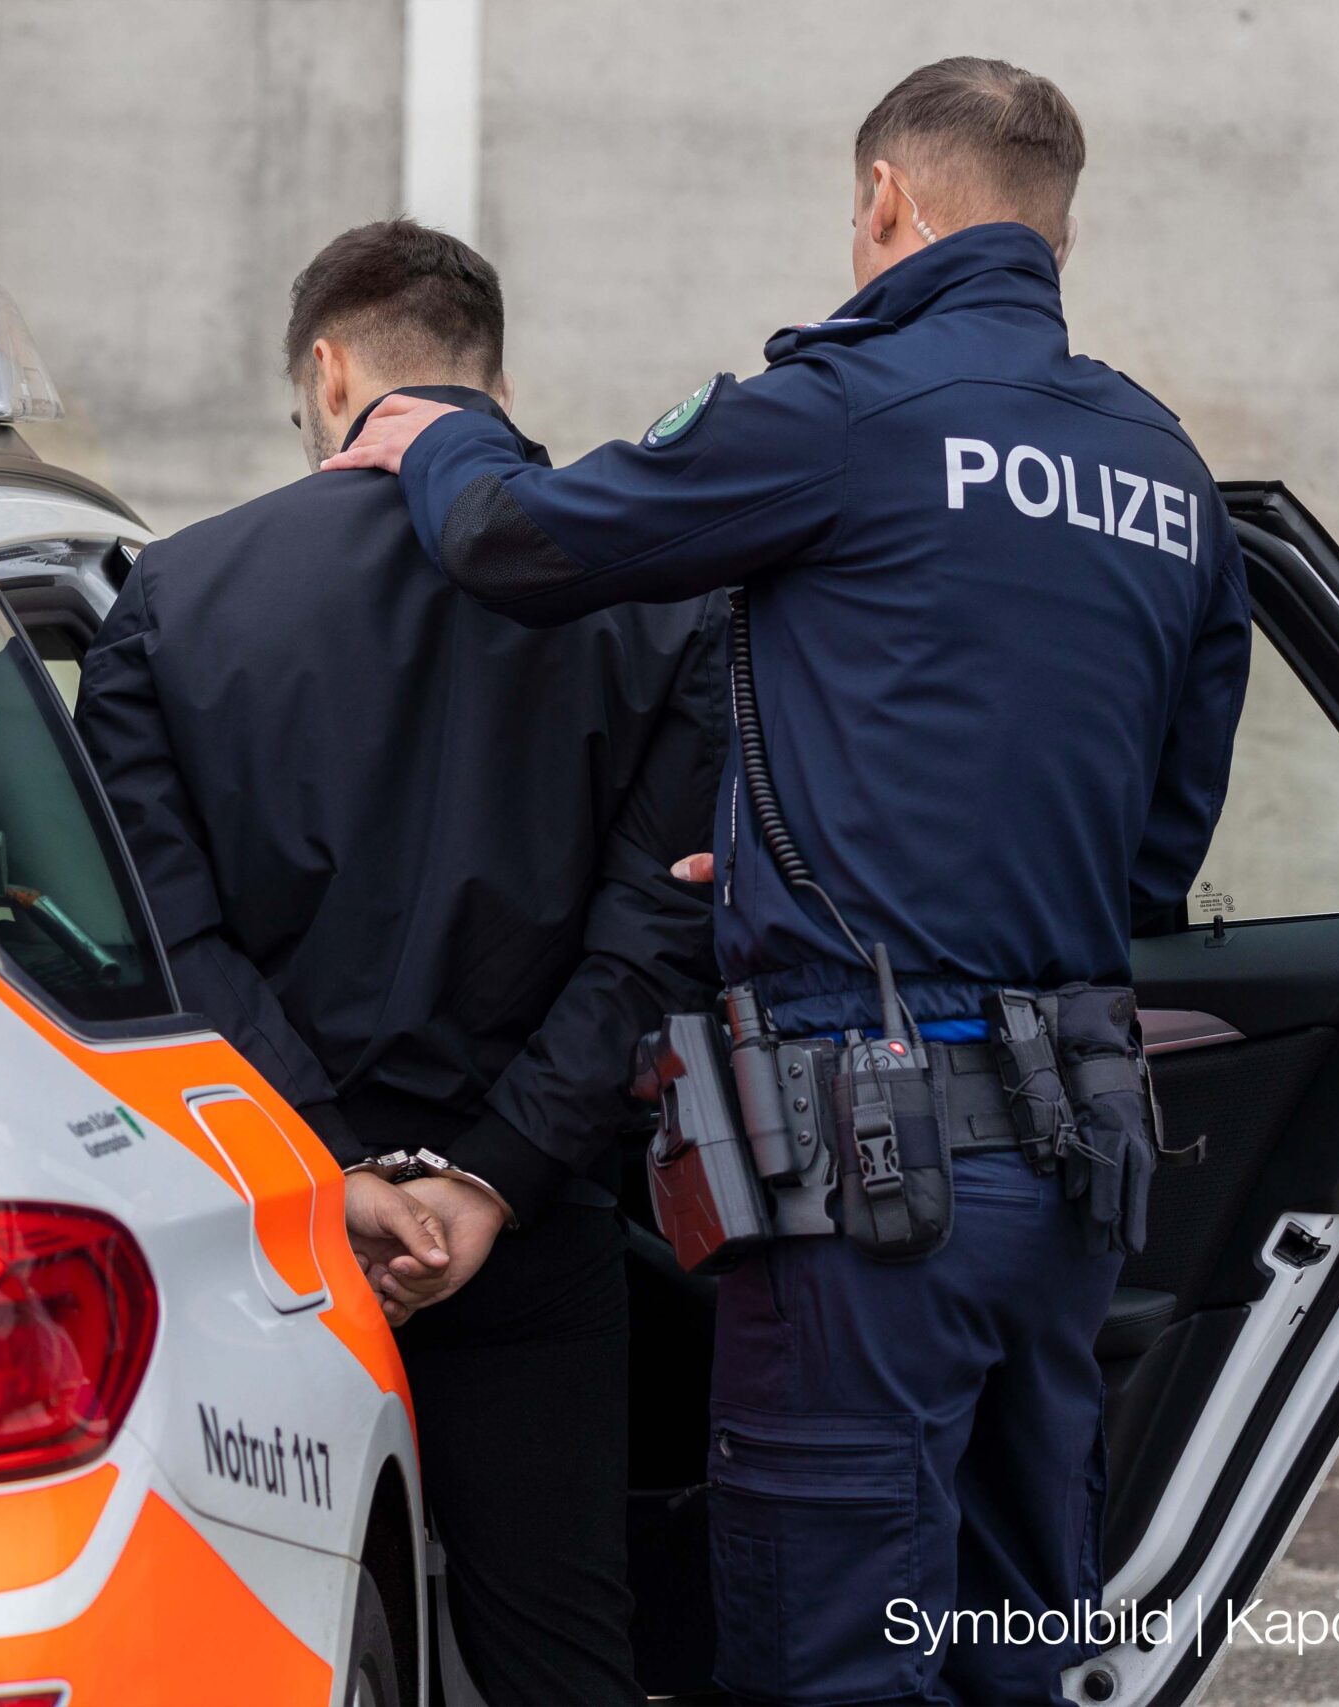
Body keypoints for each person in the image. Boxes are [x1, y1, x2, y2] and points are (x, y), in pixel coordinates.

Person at [326, 60, 1250, 1707]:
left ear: (888, 197)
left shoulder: (847, 410)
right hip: (1068, 1169)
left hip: (869, 1178)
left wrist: (438, 432)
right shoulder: (1158, 468)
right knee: (1013, 1624)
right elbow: (1155, 853)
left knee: (831, 1641)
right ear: (1060, 219)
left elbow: (523, 546)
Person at [75, 219, 727, 1707]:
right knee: (563, 1651)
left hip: (263, 1230)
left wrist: (339, 1170)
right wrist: (487, 1177)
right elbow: (657, 932)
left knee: (273, 1644)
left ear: (329, 366)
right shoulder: (662, 602)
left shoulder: (175, 598)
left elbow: (168, 936)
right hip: (535, 1220)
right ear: (492, 370)